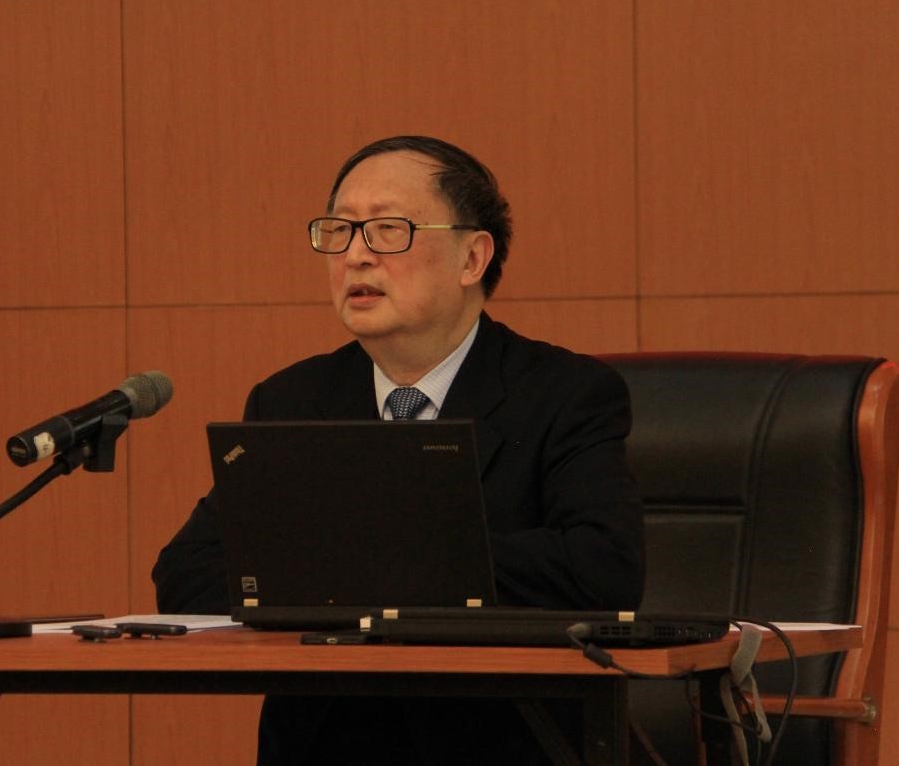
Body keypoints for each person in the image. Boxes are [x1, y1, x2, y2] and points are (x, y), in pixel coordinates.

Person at [153, 135, 645, 764]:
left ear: (472, 257)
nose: (355, 256)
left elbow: (604, 567)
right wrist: (403, 570)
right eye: (339, 231)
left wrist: (368, 565)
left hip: (504, 740)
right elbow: (187, 574)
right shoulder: (293, 400)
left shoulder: (564, 394)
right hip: (327, 745)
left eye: (388, 230)